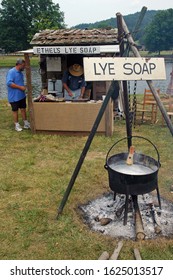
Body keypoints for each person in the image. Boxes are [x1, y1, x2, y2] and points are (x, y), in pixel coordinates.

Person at [6, 59, 30, 132]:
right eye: (23, 66)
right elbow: (9, 83)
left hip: (21, 95)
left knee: (23, 109)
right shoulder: (11, 72)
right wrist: (20, 87)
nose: (24, 67)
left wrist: (25, 86)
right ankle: (16, 125)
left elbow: (19, 82)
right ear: (19, 65)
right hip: (14, 96)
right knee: (15, 110)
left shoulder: (20, 73)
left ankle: (26, 123)